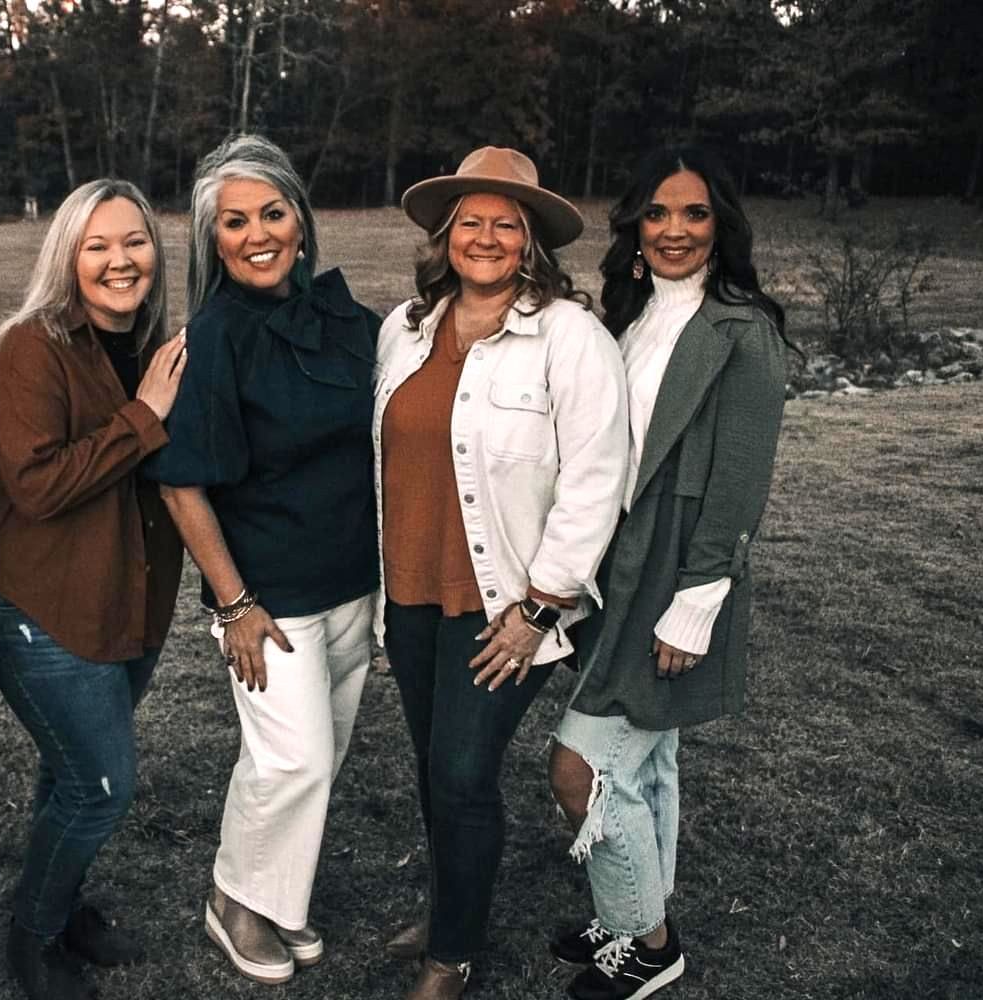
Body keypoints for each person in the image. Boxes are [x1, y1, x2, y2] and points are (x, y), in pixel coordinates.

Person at [372, 147, 629, 1000]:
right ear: (445, 237)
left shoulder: (570, 337)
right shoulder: (404, 329)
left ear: (530, 243)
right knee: (433, 767)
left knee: (461, 772)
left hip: (506, 606)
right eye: (469, 222)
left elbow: (596, 479)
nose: (485, 238)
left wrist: (541, 607)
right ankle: (450, 909)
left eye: (506, 225)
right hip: (410, 594)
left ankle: (452, 955)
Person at [546, 146, 791, 1000]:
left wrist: (696, 604)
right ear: (635, 227)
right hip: (620, 566)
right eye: (657, 213)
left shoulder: (743, 331)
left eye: (694, 213)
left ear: (722, 225)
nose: (675, 230)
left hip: (676, 574)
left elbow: (740, 485)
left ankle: (650, 945)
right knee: (649, 763)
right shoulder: (630, 315)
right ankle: (632, 909)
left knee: (584, 769)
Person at [143, 134, 380, 986]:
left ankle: (277, 900)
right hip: (268, 598)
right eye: (234, 222)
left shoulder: (353, 323)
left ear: (300, 220)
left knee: (325, 751)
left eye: (271, 213)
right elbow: (181, 485)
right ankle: (233, 900)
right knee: (294, 758)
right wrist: (234, 604)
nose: (256, 235)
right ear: (213, 240)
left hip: (353, 583)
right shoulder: (213, 338)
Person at [0, 179, 188, 1000]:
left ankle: (61, 912)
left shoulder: (155, 346)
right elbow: (37, 485)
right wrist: (145, 414)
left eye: (134, 241)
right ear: (67, 257)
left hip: (128, 600)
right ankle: (33, 938)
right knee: (100, 787)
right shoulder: (31, 348)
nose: (118, 261)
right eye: (97, 246)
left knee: (67, 774)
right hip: (45, 604)